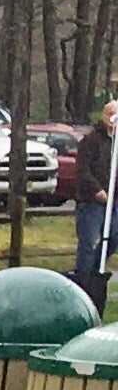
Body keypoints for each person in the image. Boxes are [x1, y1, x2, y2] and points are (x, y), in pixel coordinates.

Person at [74, 97, 115, 300]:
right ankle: (82, 283)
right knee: (88, 242)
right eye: (111, 115)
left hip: (113, 201)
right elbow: (83, 169)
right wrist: (96, 189)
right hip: (92, 201)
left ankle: (94, 271)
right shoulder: (91, 140)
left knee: (114, 236)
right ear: (103, 116)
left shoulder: (115, 142)